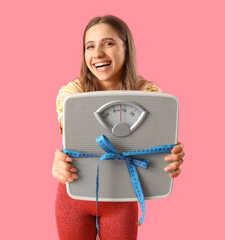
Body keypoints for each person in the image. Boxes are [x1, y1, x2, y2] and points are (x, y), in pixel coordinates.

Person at [52, 15, 185, 240]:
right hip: (74, 195)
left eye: (108, 43)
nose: (98, 54)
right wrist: (58, 160)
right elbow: (71, 137)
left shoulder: (150, 95)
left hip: (121, 200)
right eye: (90, 46)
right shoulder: (70, 94)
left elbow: (157, 146)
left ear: (127, 48)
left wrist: (171, 154)